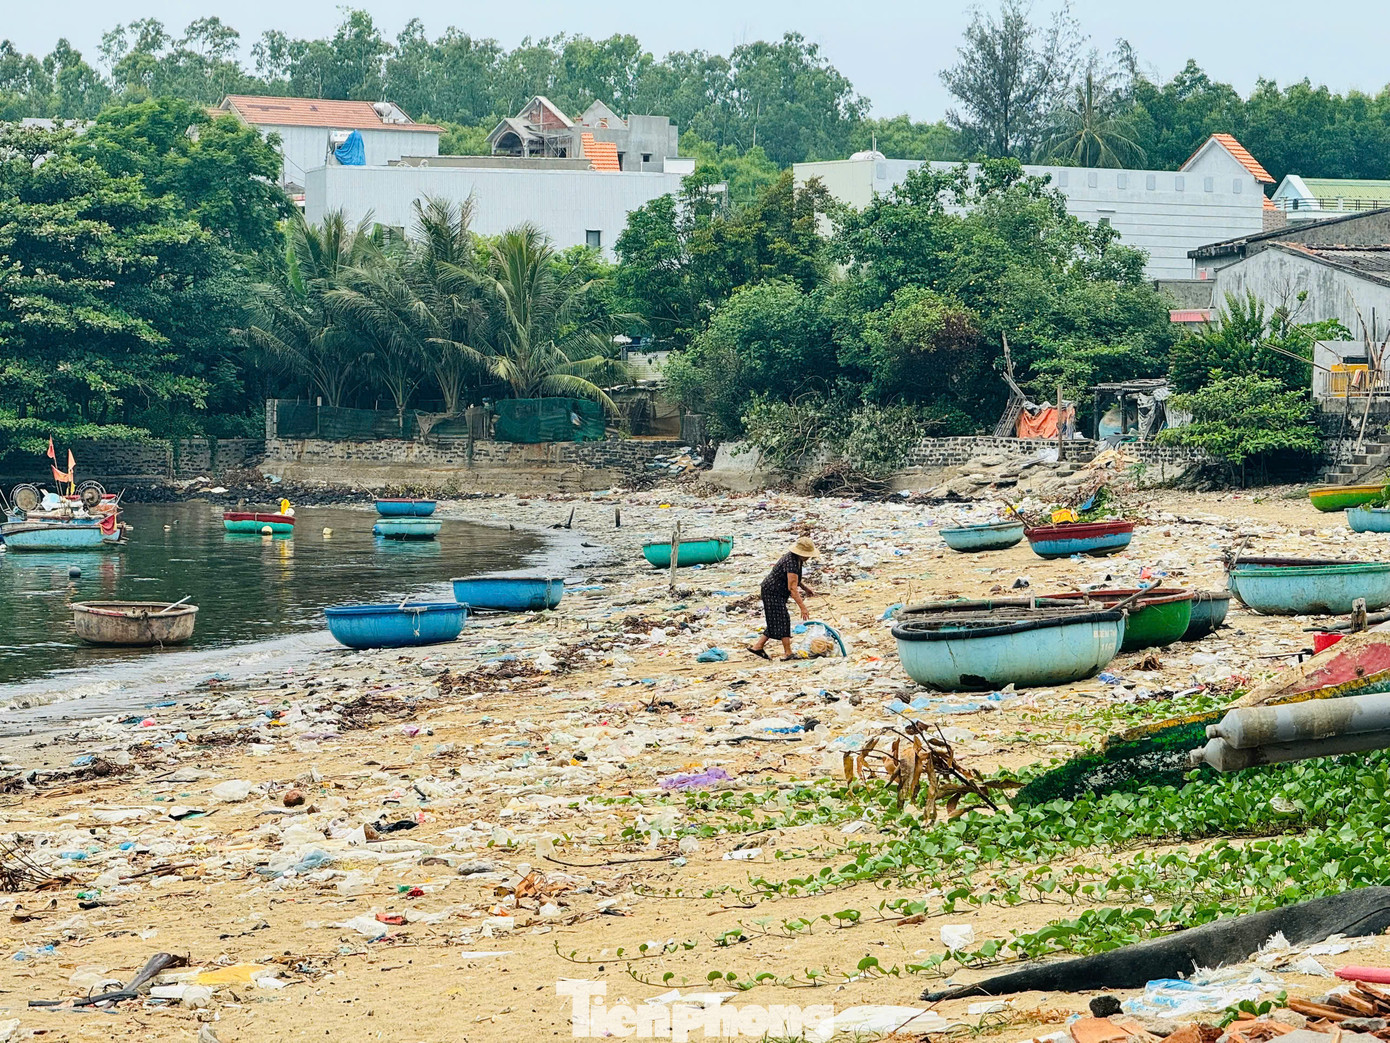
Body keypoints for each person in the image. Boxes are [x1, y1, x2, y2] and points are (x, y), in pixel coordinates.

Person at [748, 537, 818, 661]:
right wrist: (803, 608)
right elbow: (792, 588)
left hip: (776, 592)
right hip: (772, 591)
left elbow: (795, 579)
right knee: (783, 619)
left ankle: (758, 646)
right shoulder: (791, 561)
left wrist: (806, 588)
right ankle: (788, 653)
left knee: (775, 620)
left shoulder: (797, 560)